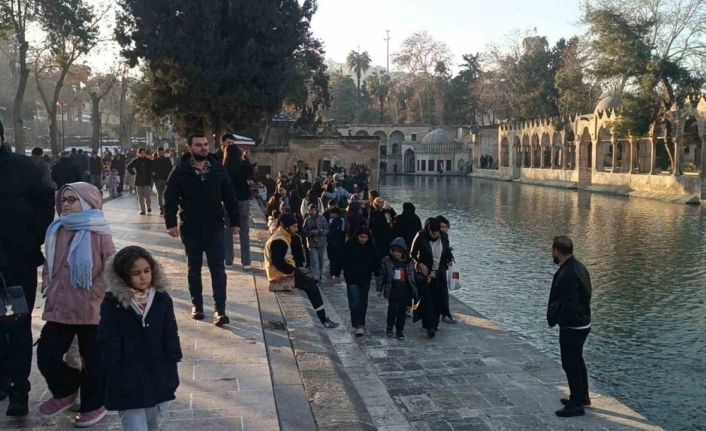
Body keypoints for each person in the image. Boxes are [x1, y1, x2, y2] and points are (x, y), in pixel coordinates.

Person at [37, 182, 115, 427]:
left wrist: (94, 290)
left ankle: (95, 404)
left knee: (92, 360)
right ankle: (66, 390)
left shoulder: (99, 231)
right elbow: (50, 262)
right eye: (63, 200)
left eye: (72, 199)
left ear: (88, 202)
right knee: (46, 353)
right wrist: (48, 283)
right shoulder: (57, 229)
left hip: (90, 307)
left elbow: (112, 266)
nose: (66, 204)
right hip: (60, 306)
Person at [99, 246, 182, 431]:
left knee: (154, 422)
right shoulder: (113, 303)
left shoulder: (161, 299)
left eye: (147, 271)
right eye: (136, 273)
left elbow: (170, 332)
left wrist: (172, 357)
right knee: (135, 425)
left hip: (157, 373)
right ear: (123, 275)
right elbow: (108, 339)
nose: (143, 277)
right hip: (127, 376)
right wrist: (112, 369)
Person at [0, 139, 55, 417]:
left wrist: (32, 239)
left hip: (17, 263)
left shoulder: (22, 167)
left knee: (17, 326)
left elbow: (45, 201)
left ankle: (19, 390)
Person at [164, 133, 239, 326]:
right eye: (198, 145)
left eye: (205, 144)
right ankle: (197, 305)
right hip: (191, 227)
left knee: (218, 269)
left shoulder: (218, 169)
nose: (203, 148)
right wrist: (170, 222)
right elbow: (170, 197)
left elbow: (229, 196)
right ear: (190, 147)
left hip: (215, 227)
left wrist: (235, 222)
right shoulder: (180, 171)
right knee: (194, 269)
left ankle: (220, 309)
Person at [264, 214, 338, 329]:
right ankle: (322, 318)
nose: (296, 228)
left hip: (284, 273)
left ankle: (321, 316)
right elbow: (278, 263)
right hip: (279, 278)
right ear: (286, 227)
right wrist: (295, 271)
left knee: (309, 281)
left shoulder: (285, 235)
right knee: (311, 284)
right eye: (294, 226)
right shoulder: (279, 241)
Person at [547, 236, 592, 418]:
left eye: (553, 250)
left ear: (557, 251)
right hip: (583, 323)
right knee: (577, 360)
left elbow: (569, 304)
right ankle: (582, 396)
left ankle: (576, 404)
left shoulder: (568, 274)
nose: (552, 254)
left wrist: (561, 321)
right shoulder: (579, 266)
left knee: (570, 363)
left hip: (573, 326)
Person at [410, 218, 452, 338]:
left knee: (438, 298)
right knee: (427, 299)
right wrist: (419, 264)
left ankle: (434, 324)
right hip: (425, 274)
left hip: (439, 273)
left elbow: (446, 252)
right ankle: (429, 326)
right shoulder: (420, 236)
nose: (435, 236)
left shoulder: (444, 237)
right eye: (433, 233)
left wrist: (448, 261)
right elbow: (412, 254)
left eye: (437, 233)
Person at [222, 137, 255, 270]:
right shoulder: (242, 166)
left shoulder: (224, 168)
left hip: (228, 201)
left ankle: (228, 260)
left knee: (228, 230)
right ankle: (246, 262)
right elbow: (251, 173)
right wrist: (245, 158)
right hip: (242, 200)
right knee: (244, 230)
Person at [378, 237, 418, 340]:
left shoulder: (409, 262)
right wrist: (380, 289)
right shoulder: (387, 261)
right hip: (393, 290)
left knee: (402, 312)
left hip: (405, 291)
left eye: (399, 251)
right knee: (392, 310)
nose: (396, 254)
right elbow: (382, 275)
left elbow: (413, 277)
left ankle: (400, 330)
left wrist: (415, 290)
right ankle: (389, 327)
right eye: (394, 251)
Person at [341, 227, 378, 337]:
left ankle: (361, 322)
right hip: (352, 277)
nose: (363, 239)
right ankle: (357, 323)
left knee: (363, 301)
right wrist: (337, 272)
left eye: (366, 237)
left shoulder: (371, 247)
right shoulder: (350, 245)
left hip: (365, 278)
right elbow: (343, 259)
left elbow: (375, 262)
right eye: (361, 237)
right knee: (355, 300)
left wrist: (377, 272)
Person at [436, 215, 457, 324]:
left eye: (445, 227)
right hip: (436, 268)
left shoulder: (444, 236)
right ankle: (443, 314)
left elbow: (445, 250)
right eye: (442, 227)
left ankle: (444, 313)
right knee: (440, 291)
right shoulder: (438, 237)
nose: (444, 229)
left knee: (442, 291)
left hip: (441, 267)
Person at [302, 203, 328, 282]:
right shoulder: (307, 220)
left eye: (314, 210)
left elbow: (327, 229)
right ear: (309, 211)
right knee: (314, 261)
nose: (313, 212)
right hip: (312, 243)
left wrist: (319, 231)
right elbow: (304, 231)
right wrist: (310, 233)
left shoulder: (322, 218)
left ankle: (319, 275)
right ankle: (315, 277)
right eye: (311, 210)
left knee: (320, 261)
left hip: (321, 242)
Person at [127, 149, 154, 215]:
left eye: (144, 152)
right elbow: (128, 167)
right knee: (140, 197)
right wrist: (133, 173)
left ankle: (148, 207)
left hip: (147, 181)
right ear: (138, 153)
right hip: (138, 181)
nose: (142, 154)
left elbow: (154, 161)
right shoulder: (136, 161)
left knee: (147, 196)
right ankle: (143, 210)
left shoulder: (148, 160)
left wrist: (151, 173)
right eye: (141, 153)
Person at [326, 207, 346, 283]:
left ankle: (337, 274)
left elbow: (342, 231)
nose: (332, 215)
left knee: (339, 259)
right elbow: (328, 231)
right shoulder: (330, 220)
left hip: (339, 243)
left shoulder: (342, 220)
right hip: (331, 242)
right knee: (332, 258)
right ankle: (333, 273)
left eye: (333, 213)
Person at [151, 147, 173, 215]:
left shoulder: (167, 160)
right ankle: (161, 208)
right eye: (160, 152)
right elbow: (151, 171)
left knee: (166, 195)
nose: (161, 154)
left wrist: (170, 178)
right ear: (157, 152)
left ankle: (166, 208)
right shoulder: (154, 161)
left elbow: (171, 169)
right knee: (159, 195)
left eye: (162, 152)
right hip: (158, 180)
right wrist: (154, 179)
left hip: (166, 180)